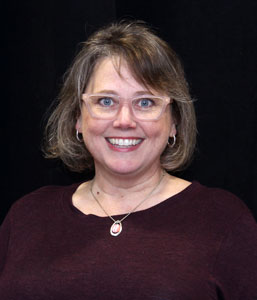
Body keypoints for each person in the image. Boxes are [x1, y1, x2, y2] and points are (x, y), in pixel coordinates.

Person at [0, 20, 257, 300]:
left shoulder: (224, 221)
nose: (124, 121)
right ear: (78, 118)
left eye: (145, 102)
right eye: (106, 101)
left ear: (174, 123)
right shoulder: (26, 216)